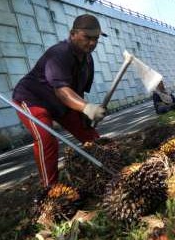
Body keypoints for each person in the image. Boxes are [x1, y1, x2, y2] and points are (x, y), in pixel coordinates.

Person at [12, 14, 107, 189]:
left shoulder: (88, 60)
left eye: (96, 39)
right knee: (46, 138)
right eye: (87, 38)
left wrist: (83, 111)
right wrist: (87, 108)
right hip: (32, 99)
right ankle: (51, 189)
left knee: (88, 133)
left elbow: (76, 92)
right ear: (73, 34)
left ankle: (109, 165)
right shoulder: (59, 54)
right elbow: (63, 92)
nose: (92, 43)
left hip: (59, 103)